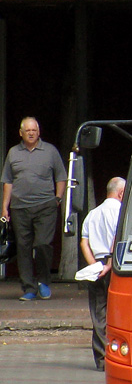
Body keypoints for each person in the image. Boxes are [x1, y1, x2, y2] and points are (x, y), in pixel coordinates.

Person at [1, 117, 67, 301]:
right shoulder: (13, 153)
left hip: (46, 205)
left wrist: (58, 199)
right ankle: (29, 288)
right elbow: (7, 181)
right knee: (23, 247)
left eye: (34, 130)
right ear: (21, 133)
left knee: (43, 244)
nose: (31, 133)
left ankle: (44, 281)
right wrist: (4, 207)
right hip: (19, 207)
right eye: (27, 130)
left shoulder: (50, 151)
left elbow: (61, 176)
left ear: (39, 132)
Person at [79, 177, 124, 371]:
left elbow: (84, 243)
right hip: (114, 264)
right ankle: (117, 355)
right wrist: (109, 264)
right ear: (121, 193)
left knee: (99, 312)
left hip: (96, 265)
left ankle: (101, 357)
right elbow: (117, 237)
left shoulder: (92, 213)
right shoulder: (121, 211)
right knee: (117, 312)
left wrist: (95, 265)